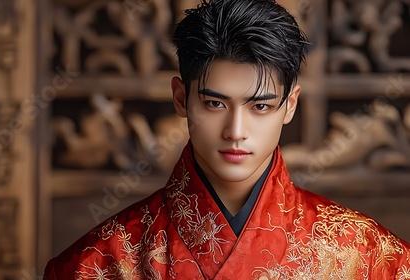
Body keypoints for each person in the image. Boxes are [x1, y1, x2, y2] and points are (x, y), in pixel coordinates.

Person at [44, 0, 410, 279]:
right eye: (215, 103)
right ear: (180, 98)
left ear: (290, 105)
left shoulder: (366, 255)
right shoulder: (99, 263)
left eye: (260, 107)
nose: (236, 130)